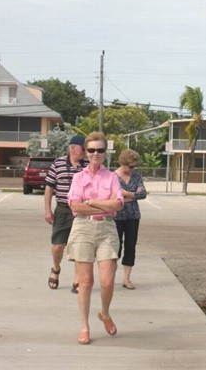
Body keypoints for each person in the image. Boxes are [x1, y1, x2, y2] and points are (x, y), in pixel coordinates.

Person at [67, 131, 124, 345]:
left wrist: (91, 202)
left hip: (107, 229)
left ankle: (105, 313)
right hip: (83, 228)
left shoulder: (112, 178)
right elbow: (75, 205)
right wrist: (103, 203)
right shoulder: (78, 178)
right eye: (91, 150)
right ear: (85, 151)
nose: (95, 154)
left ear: (105, 152)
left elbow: (118, 204)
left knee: (108, 281)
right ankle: (84, 325)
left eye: (100, 150)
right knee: (86, 282)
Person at [44, 134, 87, 293]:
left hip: (82, 210)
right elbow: (49, 187)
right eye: (83, 148)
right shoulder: (58, 163)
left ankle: (77, 279)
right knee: (58, 246)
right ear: (72, 148)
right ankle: (56, 268)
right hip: (62, 209)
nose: (86, 151)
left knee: (79, 246)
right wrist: (48, 209)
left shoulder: (88, 164)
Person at [114, 149, 147, 290]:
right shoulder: (113, 177)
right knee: (115, 247)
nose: (133, 169)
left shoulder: (136, 176)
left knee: (130, 246)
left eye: (135, 166)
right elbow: (113, 195)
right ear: (123, 164)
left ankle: (127, 279)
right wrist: (133, 195)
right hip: (116, 216)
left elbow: (143, 194)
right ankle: (110, 276)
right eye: (131, 166)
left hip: (133, 216)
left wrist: (127, 194)